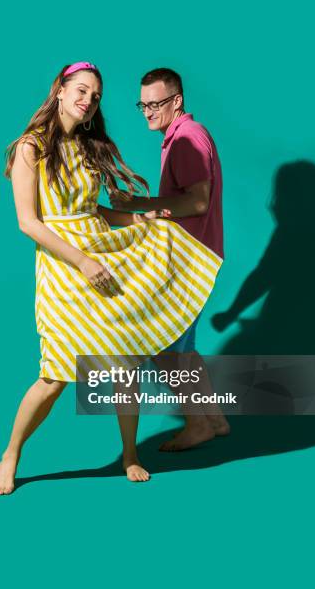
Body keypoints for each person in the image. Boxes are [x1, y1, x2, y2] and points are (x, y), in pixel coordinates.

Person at [0, 62, 223, 494]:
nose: (88, 101)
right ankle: (11, 454)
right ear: (59, 91)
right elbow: (29, 222)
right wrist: (80, 262)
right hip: (65, 265)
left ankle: (130, 455)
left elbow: (94, 211)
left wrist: (142, 215)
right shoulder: (31, 147)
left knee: (125, 360)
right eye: (81, 91)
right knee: (55, 375)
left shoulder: (86, 147)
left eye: (95, 96)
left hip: (100, 251)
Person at [111, 68, 230, 451]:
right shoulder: (182, 136)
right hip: (194, 253)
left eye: (156, 103)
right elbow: (187, 204)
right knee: (185, 347)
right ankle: (214, 419)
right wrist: (145, 212)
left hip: (188, 258)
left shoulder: (185, 140)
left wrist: (140, 204)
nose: (147, 111)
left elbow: (197, 202)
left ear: (176, 101)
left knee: (163, 345)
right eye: (142, 105)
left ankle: (197, 424)